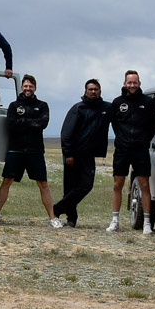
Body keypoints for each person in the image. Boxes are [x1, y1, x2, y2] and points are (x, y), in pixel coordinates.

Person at [0, 75, 61, 227]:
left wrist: (23, 121)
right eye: (25, 86)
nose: (28, 89)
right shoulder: (14, 106)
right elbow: (11, 125)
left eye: (31, 86)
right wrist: (30, 122)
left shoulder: (42, 105)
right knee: (7, 181)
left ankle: (53, 218)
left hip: (35, 150)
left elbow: (43, 123)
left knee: (43, 184)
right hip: (16, 149)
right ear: (22, 87)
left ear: (35, 88)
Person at [108, 70, 155, 233]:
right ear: (124, 84)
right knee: (118, 183)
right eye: (129, 82)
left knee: (144, 184)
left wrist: (144, 140)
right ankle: (115, 220)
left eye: (134, 82)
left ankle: (146, 223)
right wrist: (123, 139)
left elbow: (153, 125)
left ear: (139, 84)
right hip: (122, 149)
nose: (132, 85)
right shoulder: (117, 102)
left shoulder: (148, 102)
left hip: (141, 149)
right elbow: (115, 124)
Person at [55, 78, 110, 227]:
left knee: (86, 185)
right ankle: (71, 219)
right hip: (73, 154)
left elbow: (122, 113)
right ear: (85, 91)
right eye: (90, 89)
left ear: (100, 91)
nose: (93, 92)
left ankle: (56, 209)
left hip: (88, 155)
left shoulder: (106, 108)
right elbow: (66, 132)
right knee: (70, 187)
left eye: (96, 89)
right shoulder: (78, 108)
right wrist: (69, 153)